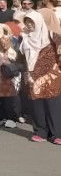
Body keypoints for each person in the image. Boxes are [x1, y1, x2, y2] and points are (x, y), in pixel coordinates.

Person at [19, 10, 61, 143]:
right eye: (27, 22)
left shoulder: (52, 35)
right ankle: (41, 132)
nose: (30, 25)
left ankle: (57, 134)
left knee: (53, 104)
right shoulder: (25, 37)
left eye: (32, 21)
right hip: (33, 76)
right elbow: (20, 56)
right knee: (37, 105)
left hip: (52, 76)